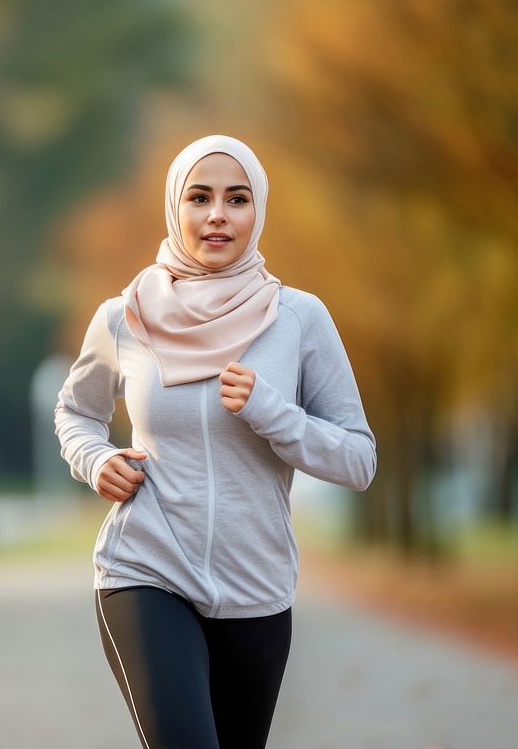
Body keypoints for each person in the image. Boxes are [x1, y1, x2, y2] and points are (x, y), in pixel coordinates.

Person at [54, 134, 377, 749]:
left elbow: (359, 459)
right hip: (145, 568)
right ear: (176, 208)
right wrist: (95, 459)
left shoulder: (298, 318)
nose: (217, 215)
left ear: (258, 214)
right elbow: (76, 411)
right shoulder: (124, 317)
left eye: (238, 198)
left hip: (256, 585)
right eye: (199, 197)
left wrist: (273, 413)